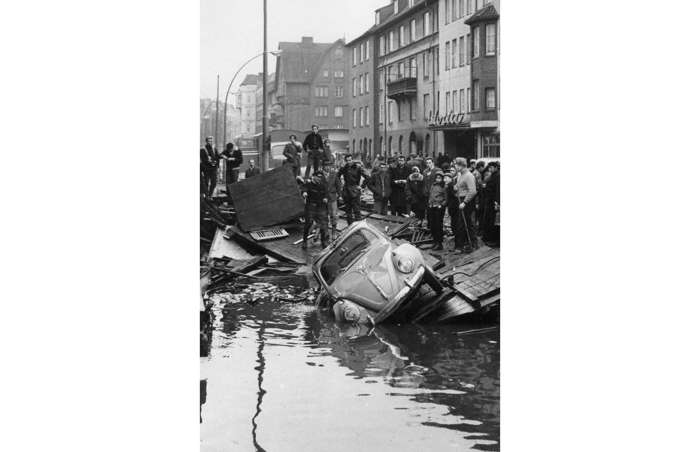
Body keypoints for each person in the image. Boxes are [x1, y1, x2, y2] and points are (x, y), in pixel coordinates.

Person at [297, 170, 329, 249]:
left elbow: (326, 194)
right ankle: (304, 241)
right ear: (313, 177)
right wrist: (304, 193)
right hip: (310, 207)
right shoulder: (308, 184)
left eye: (320, 178)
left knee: (322, 224)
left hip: (320, 207)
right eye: (317, 177)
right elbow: (303, 189)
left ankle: (323, 241)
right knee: (308, 223)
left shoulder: (322, 185)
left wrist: (325, 198)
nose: (319, 179)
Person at [453, 157, 478, 253]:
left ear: (461, 165)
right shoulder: (460, 174)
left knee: (467, 223)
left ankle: (473, 244)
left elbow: (473, 191)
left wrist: (465, 202)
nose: (455, 166)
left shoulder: (469, 176)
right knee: (460, 224)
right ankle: (462, 244)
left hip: (467, 201)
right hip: (460, 199)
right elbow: (460, 186)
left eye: (456, 164)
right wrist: (456, 187)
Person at [338, 154, 367, 224]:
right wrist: (340, 185)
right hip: (346, 191)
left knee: (357, 210)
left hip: (355, 190)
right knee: (348, 211)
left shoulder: (358, 167)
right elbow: (337, 177)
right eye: (347, 160)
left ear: (352, 160)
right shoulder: (344, 168)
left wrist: (362, 186)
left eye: (350, 160)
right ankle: (350, 227)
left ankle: (358, 227)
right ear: (345, 161)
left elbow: (368, 177)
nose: (349, 162)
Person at [482, 162, 500, 247]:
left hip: (493, 202)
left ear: (496, 167)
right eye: (489, 168)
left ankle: (495, 240)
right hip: (489, 200)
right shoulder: (493, 175)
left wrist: (497, 202)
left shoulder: (498, 176)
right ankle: (489, 238)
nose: (490, 169)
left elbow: (498, 189)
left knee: (494, 222)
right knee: (489, 220)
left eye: (492, 167)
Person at [427, 171, 447, 250]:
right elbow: (430, 195)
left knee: (438, 225)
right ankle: (435, 241)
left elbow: (446, 199)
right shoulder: (433, 185)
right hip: (432, 206)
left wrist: (441, 205)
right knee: (432, 225)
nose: (438, 179)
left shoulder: (444, 187)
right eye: (437, 177)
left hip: (439, 208)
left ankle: (439, 243)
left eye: (439, 178)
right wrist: (429, 203)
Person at [323, 161, 342, 240]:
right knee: (323, 216)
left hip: (332, 198)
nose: (327, 168)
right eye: (326, 166)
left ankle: (334, 232)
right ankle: (325, 233)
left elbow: (338, 186)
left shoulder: (334, 175)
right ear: (323, 167)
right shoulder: (320, 175)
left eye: (329, 166)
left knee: (334, 216)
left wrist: (340, 195)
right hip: (323, 199)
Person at [422, 157, 440, 229]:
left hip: (435, 194)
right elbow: (424, 183)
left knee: (435, 211)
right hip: (427, 194)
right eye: (427, 163)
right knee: (428, 211)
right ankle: (429, 226)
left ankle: (435, 227)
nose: (428, 164)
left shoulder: (437, 170)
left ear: (433, 163)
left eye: (430, 163)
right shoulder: (425, 172)